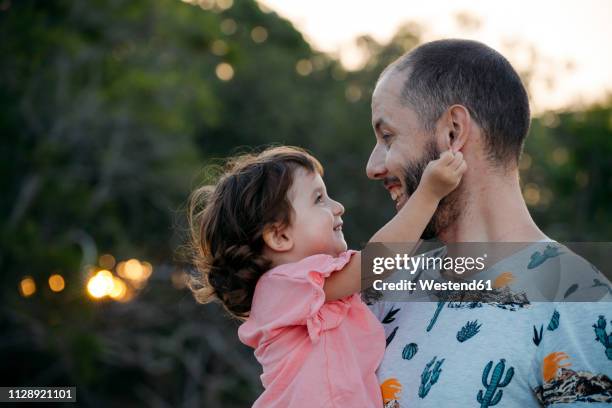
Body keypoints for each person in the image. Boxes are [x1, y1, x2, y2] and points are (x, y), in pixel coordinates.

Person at [366, 39, 612, 407]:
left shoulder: (578, 301)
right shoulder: (387, 287)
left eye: (387, 137)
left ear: (453, 132)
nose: (373, 167)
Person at [187, 145, 466, 407]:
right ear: (280, 235)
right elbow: (379, 261)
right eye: (319, 199)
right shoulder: (281, 285)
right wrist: (429, 193)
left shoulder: (319, 290)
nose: (338, 207)